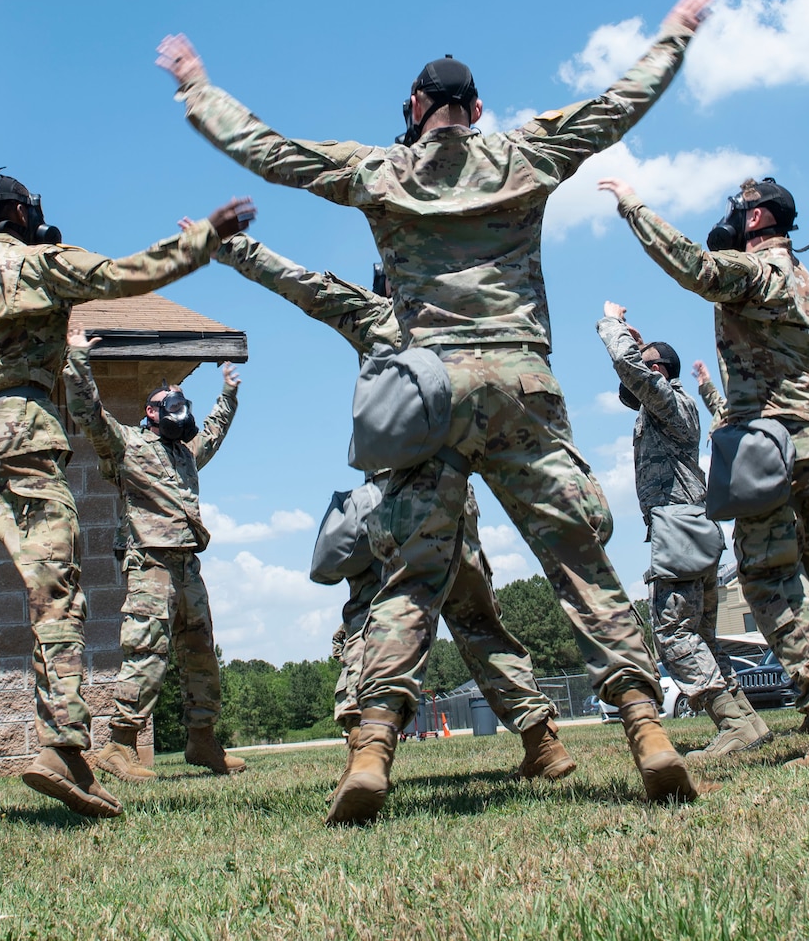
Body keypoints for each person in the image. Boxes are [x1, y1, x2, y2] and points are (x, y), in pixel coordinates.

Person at [156, 0, 711, 823]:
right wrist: (674, 36)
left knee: (412, 574)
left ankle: (374, 745)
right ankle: (645, 729)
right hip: (522, 384)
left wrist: (198, 89)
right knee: (577, 560)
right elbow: (618, 104)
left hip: (429, 392)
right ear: (478, 109)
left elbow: (272, 152)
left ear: (415, 110)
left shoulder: (381, 169)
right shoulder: (527, 153)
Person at [0, 172, 253, 820]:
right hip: (21, 445)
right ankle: (65, 751)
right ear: (19, 211)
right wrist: (204, 241)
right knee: (54, 593)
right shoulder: (42, 265)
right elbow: (129, 272)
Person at [212, 231, 572, 779]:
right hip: (460, 495)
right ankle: (541, 739)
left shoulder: (379, 318)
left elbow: (304, 285)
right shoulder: (461, 325)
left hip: (399, 496)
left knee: (376, 610)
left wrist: (234, 247)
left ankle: (368, 743)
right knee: (477, 620)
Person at [598, 176, 809, 767]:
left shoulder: (759, 272)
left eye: (737, 212)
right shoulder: (803, 277)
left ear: (754, 221)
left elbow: (695, 267)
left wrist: (632, 205)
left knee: (768, 578)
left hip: (776, 439)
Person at [64, 333, 247, 780]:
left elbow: (215, 432)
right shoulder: (128, 445)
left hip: (188, 565)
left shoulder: (185, 454)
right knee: (147, 651)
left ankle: (202, 740)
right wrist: (77, 361)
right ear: (151, 411)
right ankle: (119, 746)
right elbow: (89, 413)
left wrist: (228, 393)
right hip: (151, 563)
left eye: (182, 400)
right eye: (170, 400)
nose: (180, 405)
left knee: (201, 652)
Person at [598, 303, 770, 757]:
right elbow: (633, 368)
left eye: (646, 360)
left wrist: (613, 323)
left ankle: (732, 724)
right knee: (703, 635)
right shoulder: (665, 409)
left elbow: (625, 364)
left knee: (673, 633)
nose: (633, 372)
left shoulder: (670, 401)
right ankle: (748, 724)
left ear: (660, 370)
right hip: (692, 527)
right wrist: (639, 345)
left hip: (678, 528)